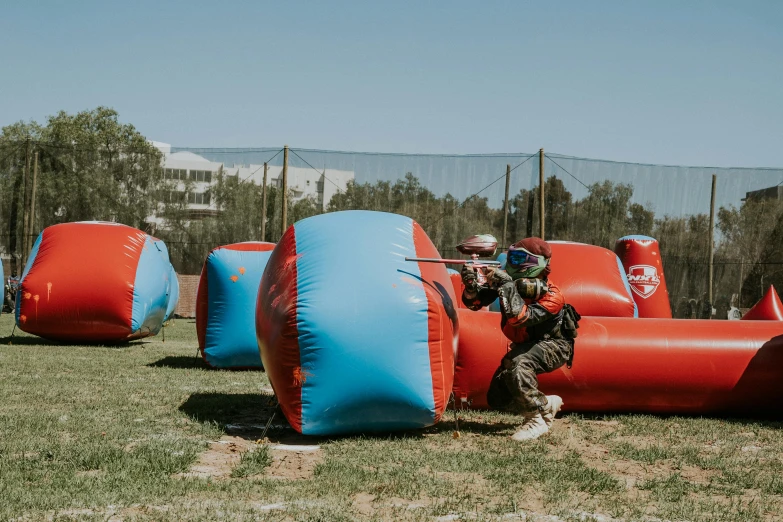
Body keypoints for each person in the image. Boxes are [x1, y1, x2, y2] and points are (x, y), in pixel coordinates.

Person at [461, 237, 576, 441]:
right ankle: (545, 405)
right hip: (526, 346)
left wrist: (505, 283)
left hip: (555, 346)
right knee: (497, 398)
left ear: (537, 263)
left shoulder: (552, 296)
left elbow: (518, 318)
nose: (513, 262)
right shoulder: (510, 283)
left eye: (519, 258)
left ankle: (536, 420)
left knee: (518, 363)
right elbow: (475, 303)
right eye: (512, 256)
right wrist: (471, 286)